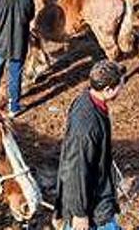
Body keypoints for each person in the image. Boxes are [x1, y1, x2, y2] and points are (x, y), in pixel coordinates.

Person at [54, 60, 126, 230]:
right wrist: (80, 214)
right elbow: (76, 169)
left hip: (94, 194)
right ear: (108, 89)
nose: (123, 88)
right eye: (121, 85)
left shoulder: (87, 99)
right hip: (93, 204)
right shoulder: (87, 128)